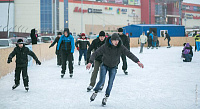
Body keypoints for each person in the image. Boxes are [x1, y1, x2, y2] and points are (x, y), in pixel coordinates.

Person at [86, 33, 144, 106]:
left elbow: (129, 54)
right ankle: (95, 92)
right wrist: (90, 62)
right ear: (111, 40)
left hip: (113, 67)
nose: (116, 42)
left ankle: (106, 97)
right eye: (115, 40)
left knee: (110, 83)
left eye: (117, 40)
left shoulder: (120, 47)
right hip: (105, 65)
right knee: (102, 80)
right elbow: (95, 53)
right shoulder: (105, 46)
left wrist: (137, 61)